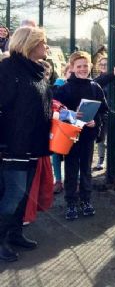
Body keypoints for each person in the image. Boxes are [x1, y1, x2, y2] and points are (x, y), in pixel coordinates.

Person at [0, 26, 52, 262]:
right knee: (12, 195)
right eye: (43, 42)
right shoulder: (7, 69)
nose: (46, 47)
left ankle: (14, 234)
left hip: (33, 144)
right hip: (13, 145)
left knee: (23, 196)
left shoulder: (39, 71)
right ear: (29, 44)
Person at [53, 51, 108, 220]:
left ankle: (85, 200)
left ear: (90, 66)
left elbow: (104, 111)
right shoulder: (63, 89)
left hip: (88, 135)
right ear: (72, 67)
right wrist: (69, 114)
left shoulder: (95, 87)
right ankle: (71, 202)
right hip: (69, 136)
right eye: (79, 66)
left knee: (85, 169)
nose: (83, 69)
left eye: (86, 65)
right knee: (70, 168)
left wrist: (96, 122)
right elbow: (55, 111)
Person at [52, 64, 72, 194]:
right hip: (58, 124)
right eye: (70, 72)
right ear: (65, 73)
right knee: (56, 153)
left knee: (73, 154)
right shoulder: (58, 85)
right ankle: (58, 180)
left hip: (74, 124)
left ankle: (72, 180)